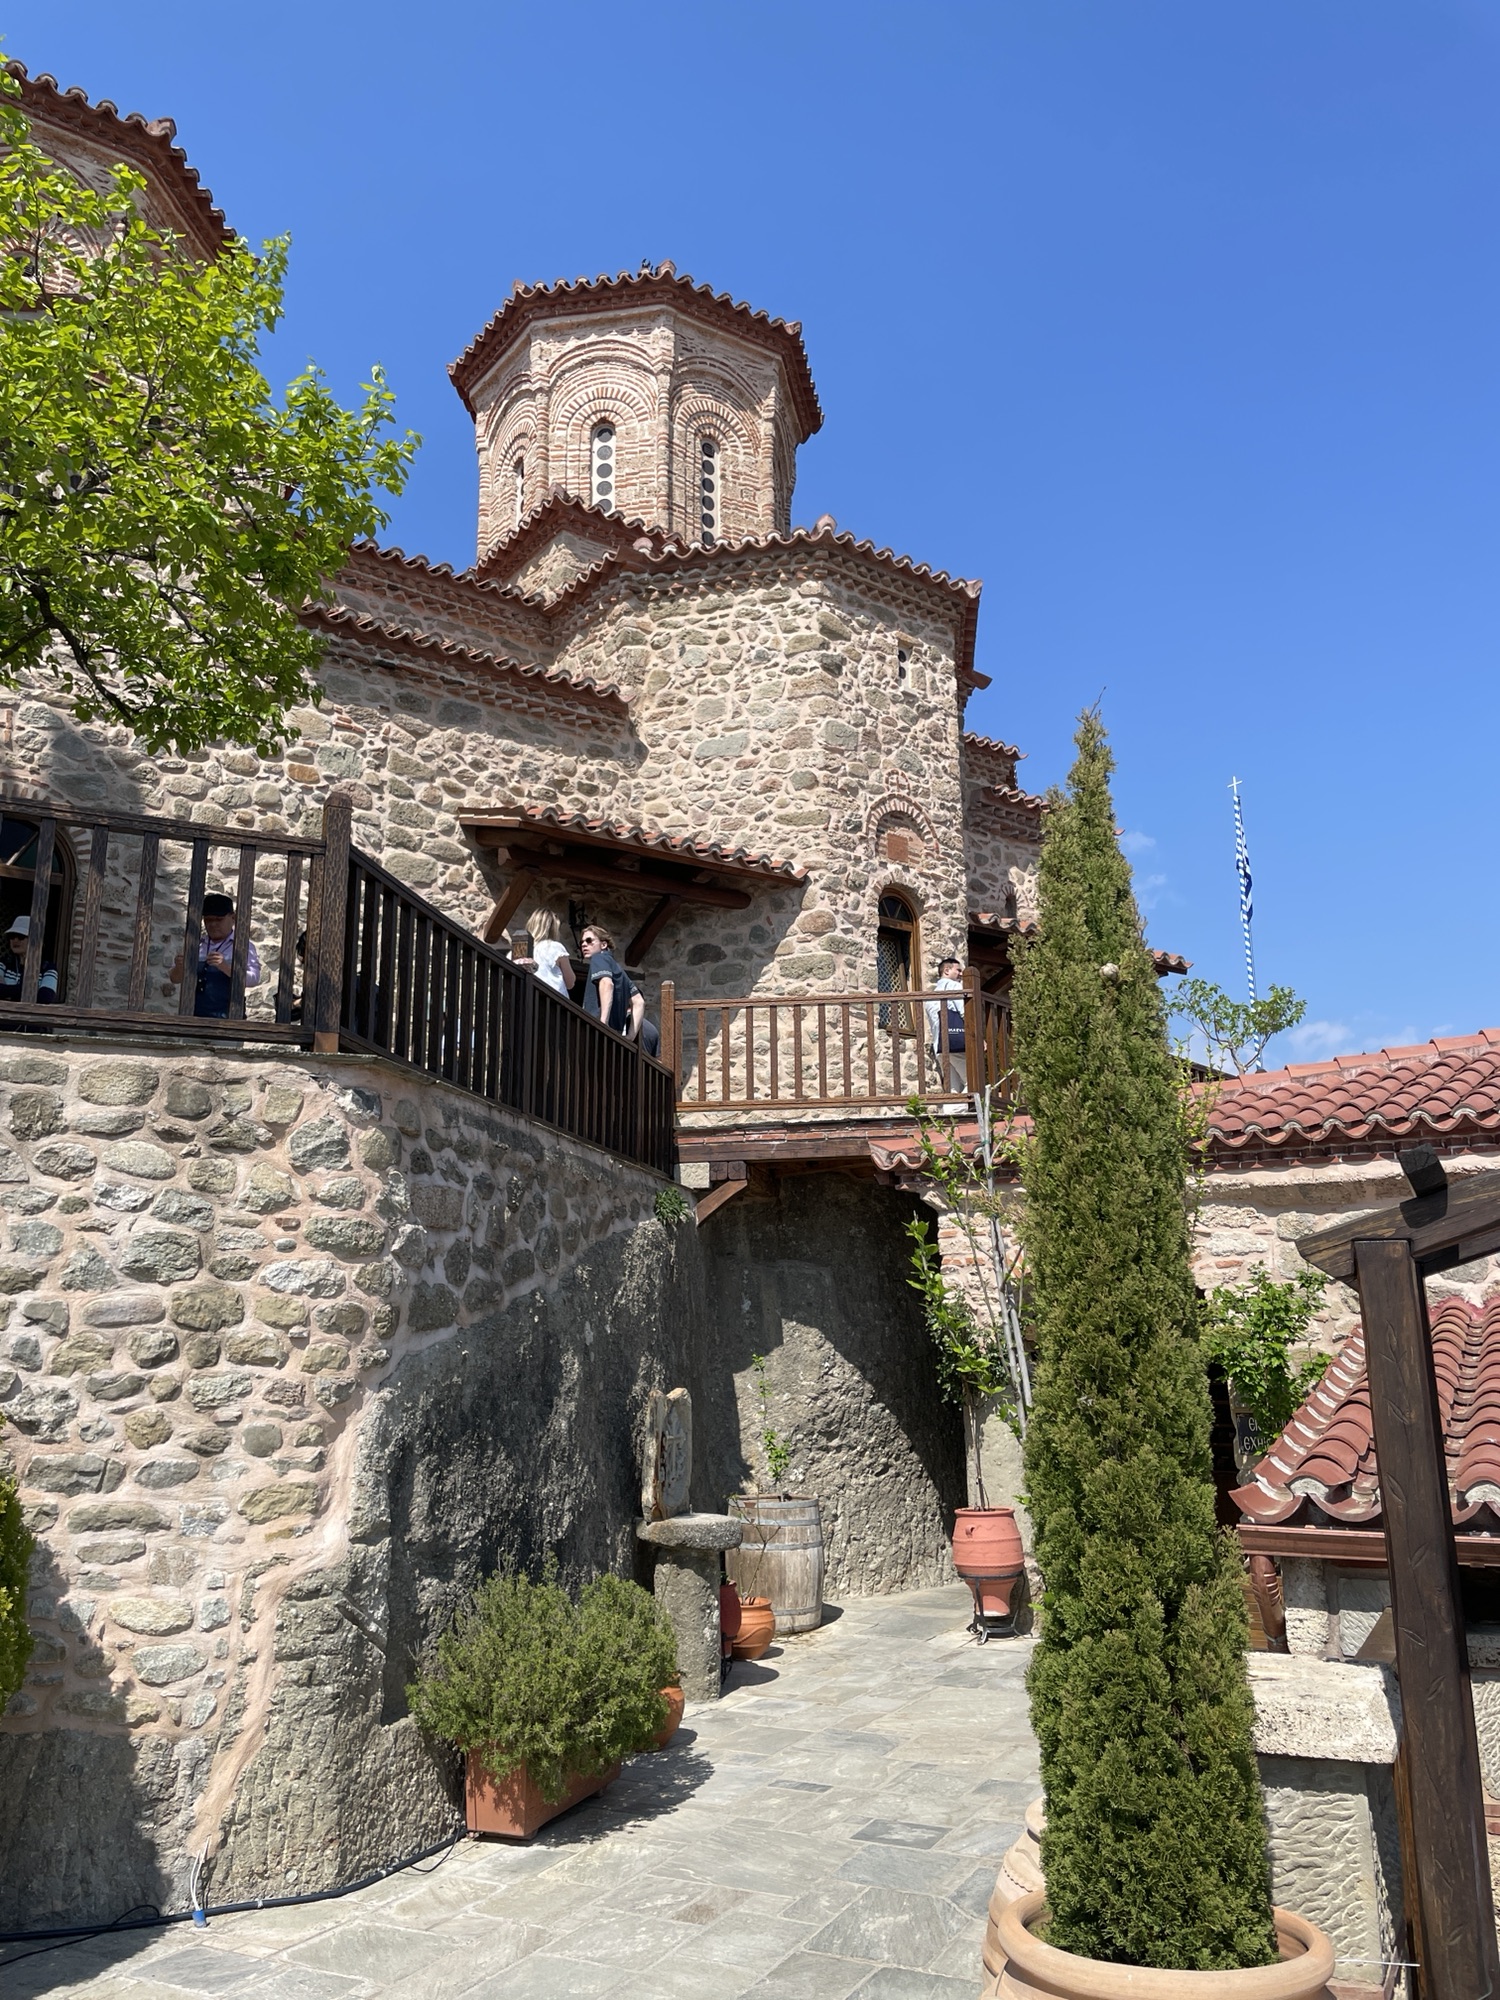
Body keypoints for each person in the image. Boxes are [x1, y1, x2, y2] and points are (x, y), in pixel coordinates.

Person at [169, 892, 263, 1019]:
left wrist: (226, 968)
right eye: (208, 920)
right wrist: (179, 968)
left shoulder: (243, 946)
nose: (213, 924)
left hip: (229, 1019)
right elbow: (174, 979)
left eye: (219, 919)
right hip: (194, 1017)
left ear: (233, 918)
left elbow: (254, 979)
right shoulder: (196, 945)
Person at [509, 906, 575, 999]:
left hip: (524, 1000)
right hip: (552, 1001)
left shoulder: (514, 952)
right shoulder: (555, 948)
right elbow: (570, 983)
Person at [924, 954, 968, 1094]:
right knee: (972, 1081)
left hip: (940, 1046)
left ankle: (953, 1108)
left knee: (952, 1088)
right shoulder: (954, 985)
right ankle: (966, 1106)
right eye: (958, 970)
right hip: (955, 1043)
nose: (961, 974)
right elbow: (964, 1012)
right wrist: (978, 1036)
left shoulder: (931, 997)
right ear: (947, 971)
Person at [579, 923, 633, 1034]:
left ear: (603, 945)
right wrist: (630, 1036)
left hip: (595, 1030)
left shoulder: (599, 958)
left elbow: (607, 983)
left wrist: (603, 1023)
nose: (584, 944)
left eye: (589, 941)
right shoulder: (619, 970)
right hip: (613, 1034)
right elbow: (639, 1002)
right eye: (582, 942)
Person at [0, 916, 58, 1006]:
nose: (15, 940)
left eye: (21, 937)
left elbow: (45, 997)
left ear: (34, 941)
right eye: (12, 936)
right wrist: (32, 991)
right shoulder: (3, 963)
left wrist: (7, 992)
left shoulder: (47, 967)